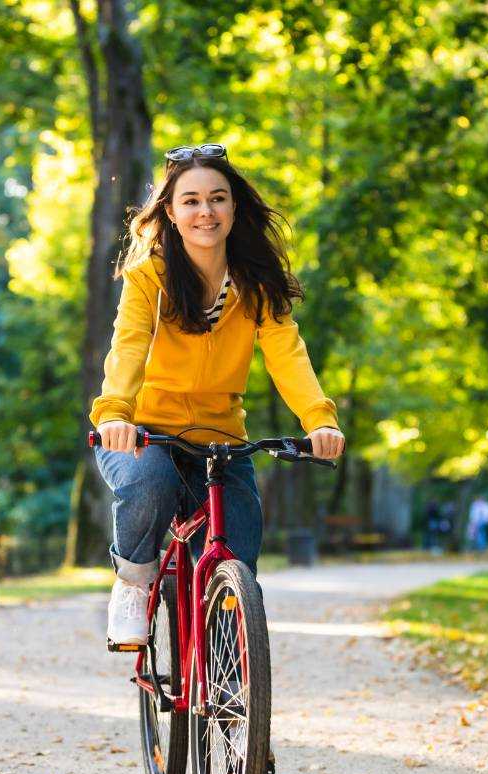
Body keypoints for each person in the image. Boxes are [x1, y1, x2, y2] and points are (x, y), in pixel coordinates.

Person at [89, 143, 346, 647]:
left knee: (239, 548)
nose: (205, 211)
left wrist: (319, 419)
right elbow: (129, 347)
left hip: (221, 438)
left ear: (234, 207)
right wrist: (117, 413)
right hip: (144, 435)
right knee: (152, 483)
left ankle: (229, 672)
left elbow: (287, 354)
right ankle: (134, 581)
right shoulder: (149, 279)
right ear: (170, 210)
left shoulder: (257, 285)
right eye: (190, 200)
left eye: (217, 198)